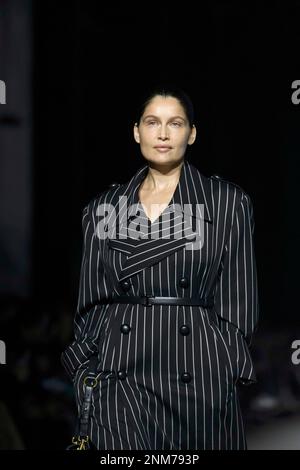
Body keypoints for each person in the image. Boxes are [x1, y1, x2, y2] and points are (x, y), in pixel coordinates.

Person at [61, 85, 259, 450]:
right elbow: (90, 301)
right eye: (153, 122)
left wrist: (221, 368)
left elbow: (238, 299)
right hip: (118, 375)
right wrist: (85, 368)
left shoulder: (227, 203)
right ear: (137, 131)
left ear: (192, 133)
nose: (164, 134)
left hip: (196, 375)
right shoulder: (103, 208)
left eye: (176, 123)